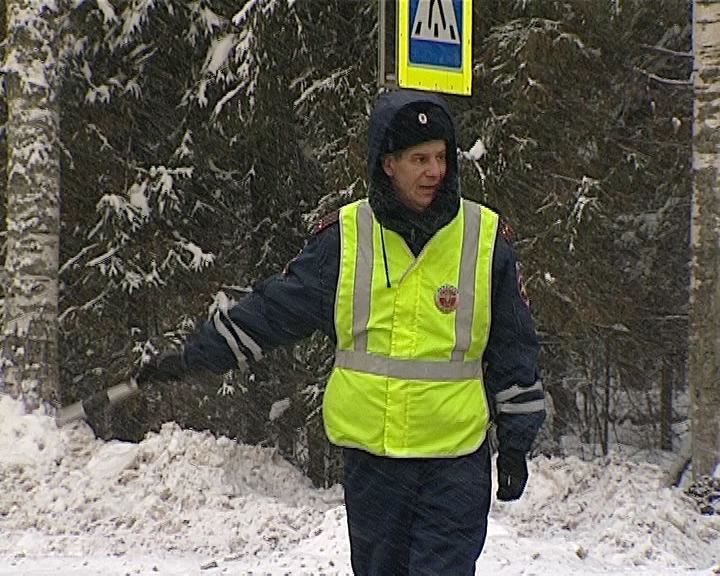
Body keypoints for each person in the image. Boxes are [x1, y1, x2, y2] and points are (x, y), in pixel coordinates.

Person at [134, 89, 545, 575]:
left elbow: (514, 348)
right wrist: (194, 356)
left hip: (454, 463)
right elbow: (273, 312)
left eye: (441, 157)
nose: (435, 171)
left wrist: (516, 443)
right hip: (375, 465)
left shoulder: (484, 237)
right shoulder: (346, 239)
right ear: (387, 164)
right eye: (419, 159)